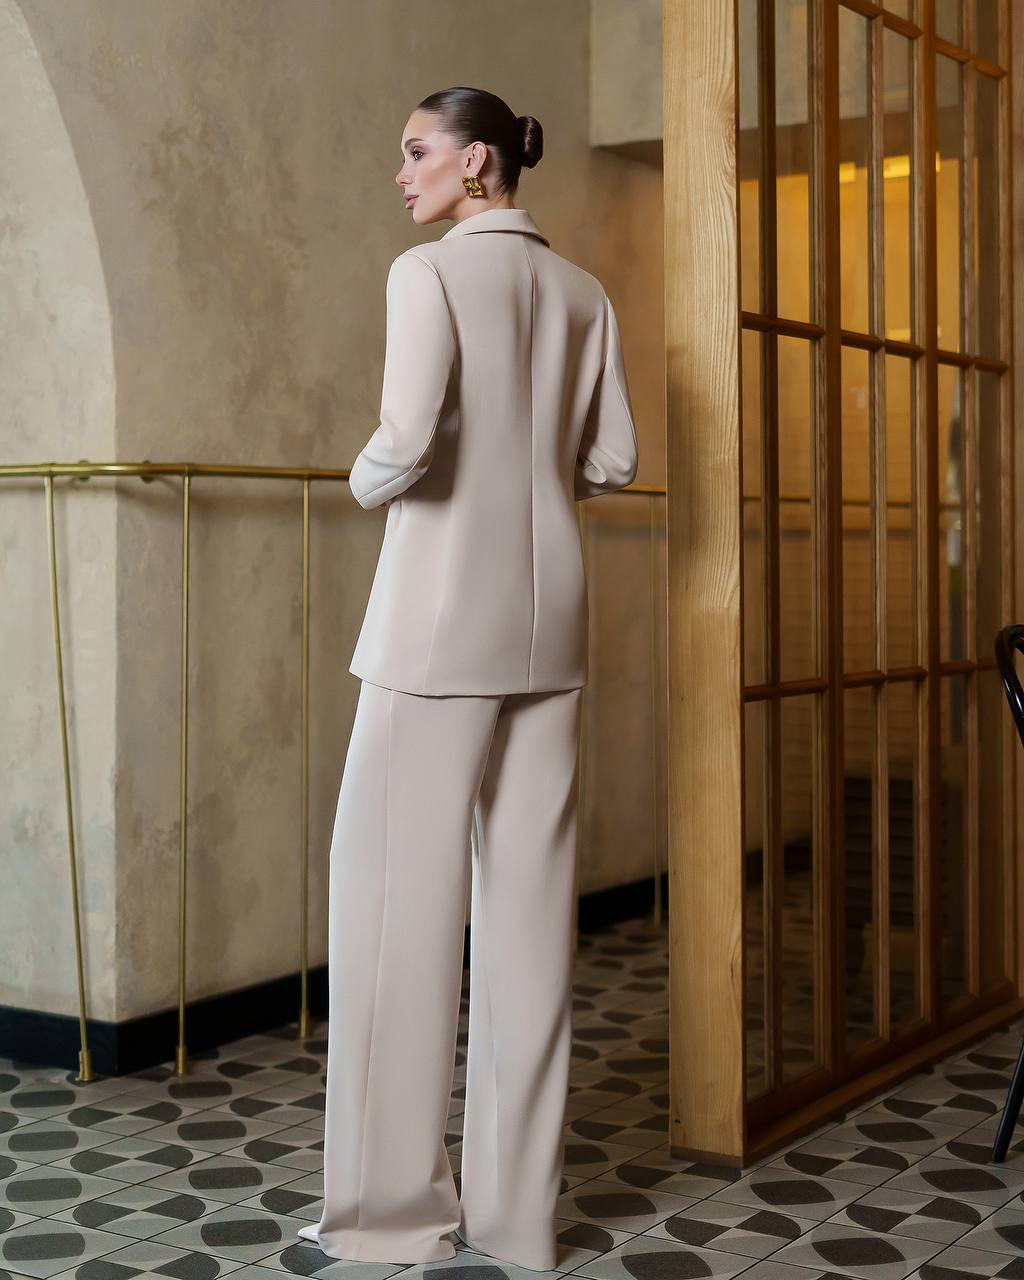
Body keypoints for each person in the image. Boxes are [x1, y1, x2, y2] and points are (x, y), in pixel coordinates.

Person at [297, 85, 638, 1272]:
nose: (402, 174)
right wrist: (529, 478)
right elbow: (614, 457)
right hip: (552, 621)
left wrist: (361, 482)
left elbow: (403, 438)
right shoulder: (583, 292)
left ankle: (389, 1214)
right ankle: (515, 1219)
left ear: (476, 160)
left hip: (439, 620)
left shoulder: (425, 274)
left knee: (393, 910)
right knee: (531, 921)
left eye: (416, 150)